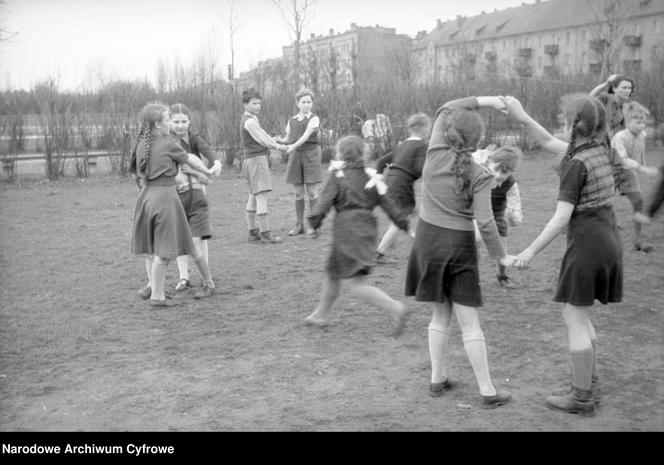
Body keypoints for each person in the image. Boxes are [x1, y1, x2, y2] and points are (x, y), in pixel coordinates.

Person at [503, 94, 623, 417]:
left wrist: (527, 252)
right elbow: (546, 141)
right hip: (608, 239)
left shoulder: (576, 164)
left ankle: (582, 396)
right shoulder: (600, 150)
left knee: (575, 319)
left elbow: (560, 218)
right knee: (578, 316)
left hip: (589, 245)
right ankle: (590, 382)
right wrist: (522, 115)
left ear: (573, 125)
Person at [404, 96, 516, 408]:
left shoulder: (434, 153)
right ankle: (488, 391)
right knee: (469, 323)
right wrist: (502, 256)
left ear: (447, 130)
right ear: (477, 140)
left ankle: (437, 380)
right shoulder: (481, 174)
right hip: (460, 245)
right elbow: (485, 220)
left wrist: (489, 100)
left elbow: (445, 107)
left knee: (440, 315)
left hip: (427, 240)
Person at [304, 135, 411, 337]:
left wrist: (314, 223)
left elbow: (325, 201)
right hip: (366, 228)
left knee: (355, 285)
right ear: (364, 153)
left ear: (340, 154)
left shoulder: (338, 176)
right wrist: (404, 225)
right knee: (332, 272)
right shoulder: (372, 177)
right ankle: (319, 314)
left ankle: (396, 308)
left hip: (347, 230)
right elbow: (389, 205)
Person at [130, 102, 216, 307]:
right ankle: (158, 295)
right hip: (165, 200)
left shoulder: (141, 143)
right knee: (163, 253)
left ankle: (208, 283)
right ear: (158, 124)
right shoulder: (168, 144)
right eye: (168, 119)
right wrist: (208, 171)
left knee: (161, 249)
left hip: (146, 198)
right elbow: (190, 160)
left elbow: (138, 173)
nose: (170, 122)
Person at [169, 103, 223, 298]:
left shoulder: (193, 137)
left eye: (184, 121)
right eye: (176, 122)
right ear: (169, 122)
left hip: (197, 188)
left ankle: (204, 275)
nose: (180, 125)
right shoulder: (166, 141)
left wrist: (216, 162)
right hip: (177, 192)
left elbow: (207, 150)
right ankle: (183, 277)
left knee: (200, 235)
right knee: (180, 235)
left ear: (189, 122)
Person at [374, 113, 431, 264]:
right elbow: (420, 169)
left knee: (409, 213)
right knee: (402, 218)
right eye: (429, 128)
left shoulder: (403, 145)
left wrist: (379, 179)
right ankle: (379, 253)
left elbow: (381, 162)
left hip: (391, 183)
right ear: (424, 129)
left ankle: (389, 243)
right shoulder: (421, 146)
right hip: (402, 186)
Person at [610, 101, 660, 253]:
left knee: (638, 201)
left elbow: (640, 153)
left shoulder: (642, 135)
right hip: (609, 172)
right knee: (601, 205)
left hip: (627, 172)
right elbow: (623, 158)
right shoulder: (620, 137)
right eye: (638, 122)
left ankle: (638, 241)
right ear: (627, 122)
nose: (642, 125)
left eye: (644, 122)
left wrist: (642, 165)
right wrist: (642, 169)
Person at [472, 144, 524, 288]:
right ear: (490, 163)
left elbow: (516, 208)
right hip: (476, 214)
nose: (499, 175)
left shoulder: (511, 185)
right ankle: (472, 276)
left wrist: (512, 216)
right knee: (475, 242)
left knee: (501, 249)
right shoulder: (479, 172)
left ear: (512, 172)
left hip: (497, 216)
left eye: (505, 172)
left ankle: (502, 276)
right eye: (497, 170)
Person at [240, 88, 288, 244]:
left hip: (248, 161)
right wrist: (278, 147)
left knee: (253, 195)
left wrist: (273, 139)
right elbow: (262, 140)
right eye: (254, 103)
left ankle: (252, 233)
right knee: (261, 197)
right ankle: (265, 234)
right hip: (256, 161)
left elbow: (262, 135)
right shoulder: (250, 121)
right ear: (245, 105)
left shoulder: (249, 120)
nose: (258, 106)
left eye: (259, 103)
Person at [274, 89, 322, 236]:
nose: (306, 105)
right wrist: (278, 141)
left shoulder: (314, 119)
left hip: (311, 155)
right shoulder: (292, 120)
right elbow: (289, 138)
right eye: (303, 102)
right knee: (299, 193)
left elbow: (306, 136)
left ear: (312, 103)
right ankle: (299, 225)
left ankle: (313, 226)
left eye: (309, 102)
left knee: (312, 192)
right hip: (295, 157)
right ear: (297, 103)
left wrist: (292, 146)